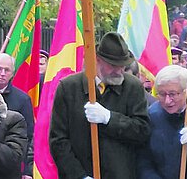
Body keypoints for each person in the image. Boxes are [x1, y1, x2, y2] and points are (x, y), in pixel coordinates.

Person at [50, 32, 151, 179]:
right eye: (113, 65)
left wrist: (110, 118)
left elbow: (142, 131)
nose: (119, 71)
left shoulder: (133, 87)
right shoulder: (68, 88)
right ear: (97, 60)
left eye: (123, 66)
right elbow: (58, 140)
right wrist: (79, 176)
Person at [0, 53, 35, 178]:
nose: (2, 73)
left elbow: (29, 136)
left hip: (10, 162)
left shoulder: (22, 99)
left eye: (7, 70)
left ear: (13, 73)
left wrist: (26, 170)